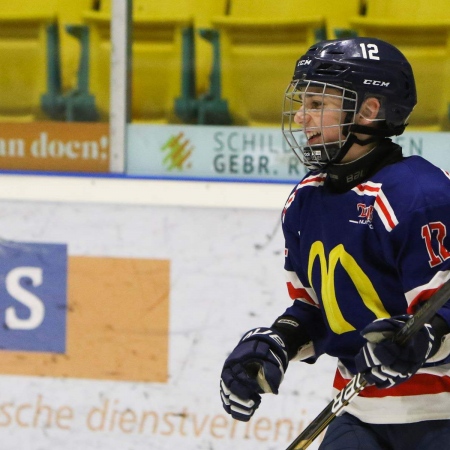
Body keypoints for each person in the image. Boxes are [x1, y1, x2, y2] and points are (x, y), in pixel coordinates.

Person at [219, 37, 450, 449]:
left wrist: (423, 339)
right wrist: (278, 343)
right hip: (359, 412)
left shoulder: (419, 196)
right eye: (302, 103)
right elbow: (316, 309)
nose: (303, 118)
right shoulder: (306, 199)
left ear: (368, 110)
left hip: (440, 414)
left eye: (317, 105)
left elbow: (441, 310)